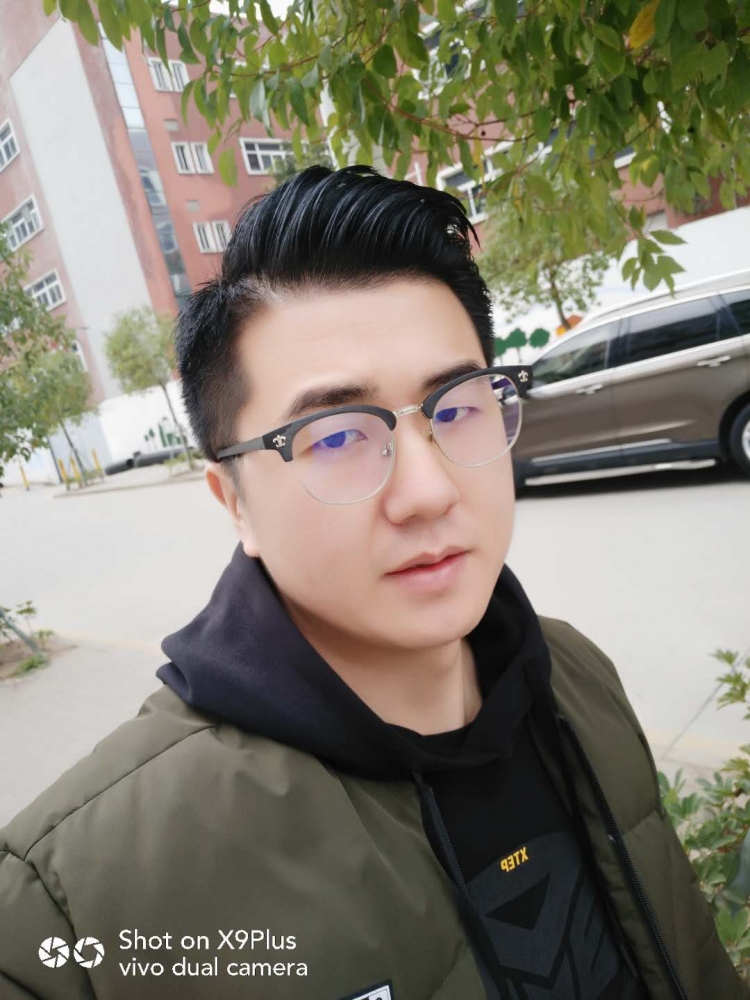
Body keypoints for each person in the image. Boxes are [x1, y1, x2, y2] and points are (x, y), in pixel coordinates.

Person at [0, 166, 744, 1000]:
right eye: (335, 436)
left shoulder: (574, 677)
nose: (428, 491)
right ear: (234, 501)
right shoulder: (74, 904)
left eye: (457, 406)